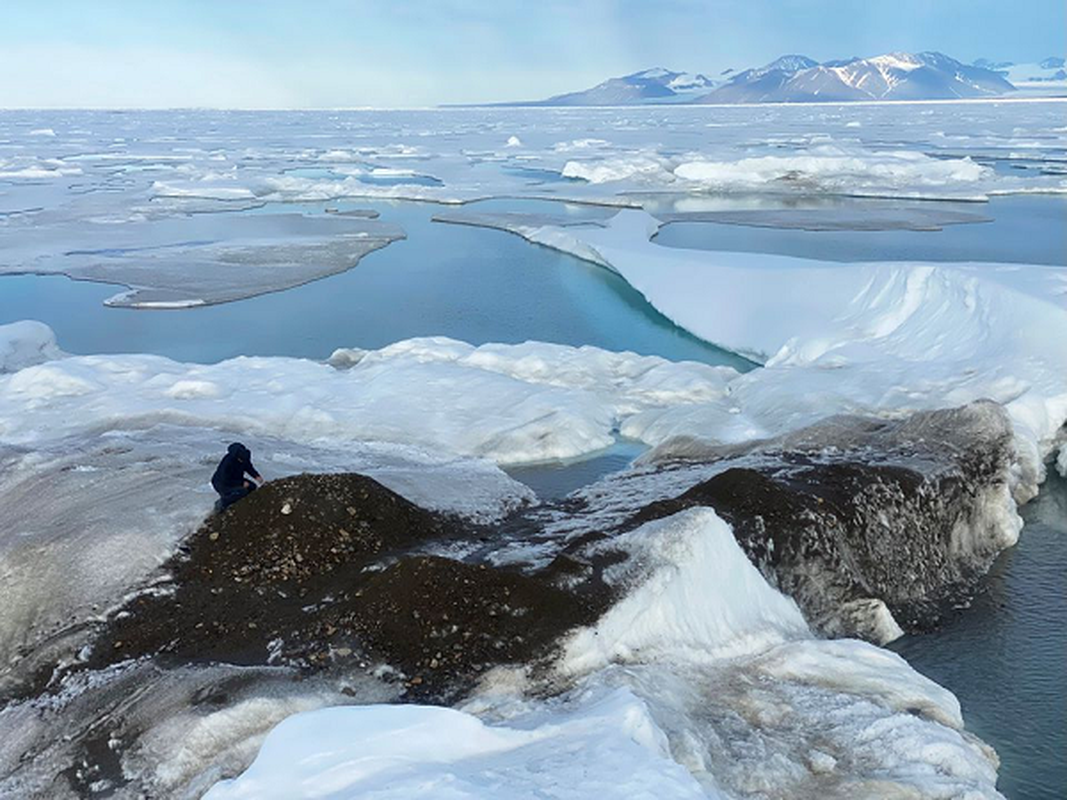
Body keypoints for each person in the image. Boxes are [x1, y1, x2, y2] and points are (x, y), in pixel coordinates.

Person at [211, 442, 264, 512]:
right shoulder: (228, 462)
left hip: (236, 479)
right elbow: (225, 479)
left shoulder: (245, 456)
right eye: (240, 460)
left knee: (252, 487)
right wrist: (241, 483)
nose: (242, 461)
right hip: (221, 483)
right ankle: (222, 503)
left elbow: (248, 467)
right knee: (242, 491)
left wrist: (257, 476)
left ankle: (245, 504)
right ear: (236, 457)